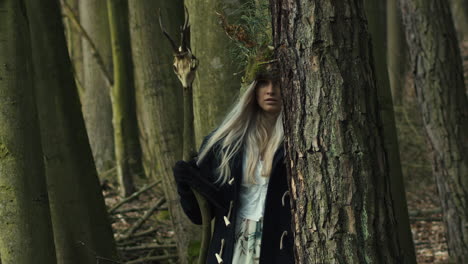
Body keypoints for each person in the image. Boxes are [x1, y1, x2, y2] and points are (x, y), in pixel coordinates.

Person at [173, 74, 294, 264]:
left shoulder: (302, 144)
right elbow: (199, 215)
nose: (271, 90)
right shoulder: (224, 144)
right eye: (263, 82)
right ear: (252, 89)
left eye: (278, 81)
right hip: (230, 248)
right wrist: (185, 184)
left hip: (282, 249)